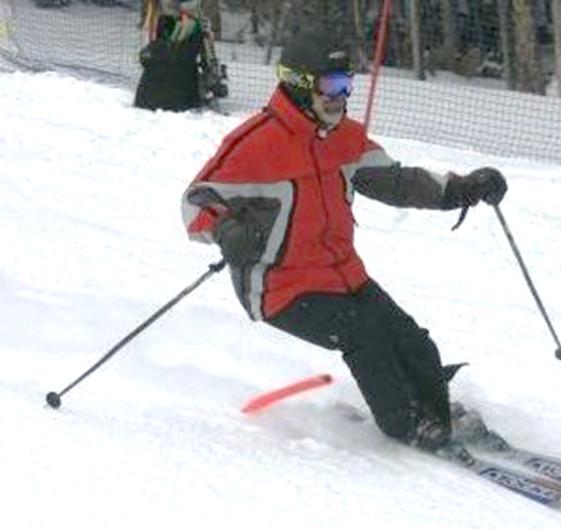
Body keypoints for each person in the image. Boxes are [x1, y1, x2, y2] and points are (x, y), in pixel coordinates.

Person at [181, 29, 507, 452]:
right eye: (332, 86)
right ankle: (405, 423)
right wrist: (225, 229)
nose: (341, 96)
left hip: (342, 276)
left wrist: (459, 190)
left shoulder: (345, 137)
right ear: (299, 84)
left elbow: (396, 182)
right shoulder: (255, 143)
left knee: (412, 341)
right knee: (366, 334)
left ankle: (436, 406)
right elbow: (196, 201)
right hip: (279, 287)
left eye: (347, 84)